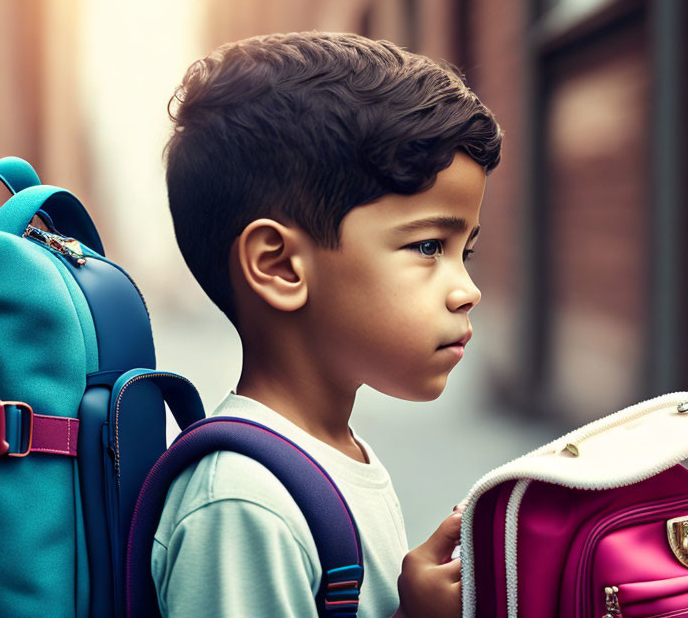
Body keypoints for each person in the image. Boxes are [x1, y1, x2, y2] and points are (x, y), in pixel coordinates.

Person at [153, 31, 502, 618]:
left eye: (463, 251)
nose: (468, 292)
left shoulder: (336, 453)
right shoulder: (243, 504)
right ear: (280, 265)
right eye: (426, 246)